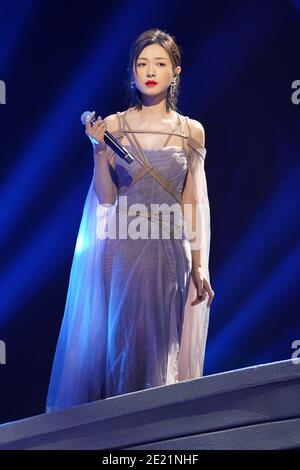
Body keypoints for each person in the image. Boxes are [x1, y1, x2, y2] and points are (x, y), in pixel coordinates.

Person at [45, 28, 214, 413]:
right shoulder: (116, 126)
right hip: (122, 247)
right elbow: (105, 198)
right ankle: (120, 438)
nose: (150, 71)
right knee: (121, 343)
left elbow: (193, 201)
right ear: (132, 72)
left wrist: (199, 264)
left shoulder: (191, 132)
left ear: (176, 72)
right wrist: (97, 150)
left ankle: (160, 434)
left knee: (163, 347)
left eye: (160, 63)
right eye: (142, 63)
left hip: (171, 251)